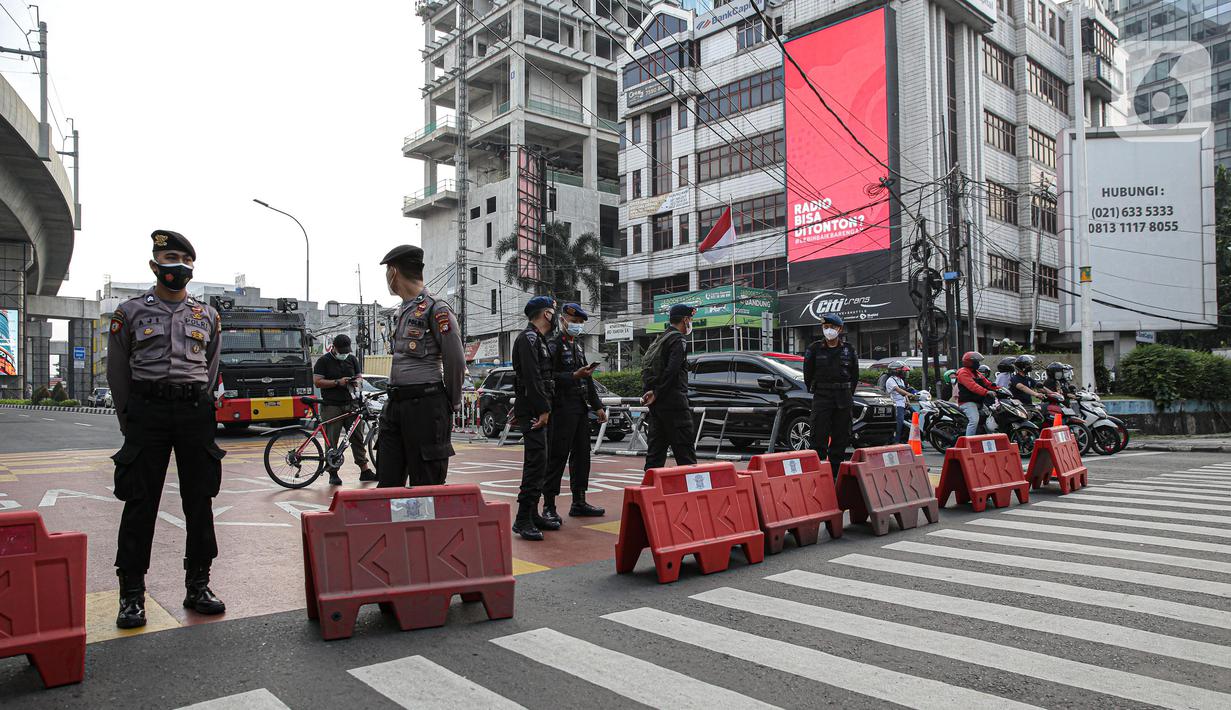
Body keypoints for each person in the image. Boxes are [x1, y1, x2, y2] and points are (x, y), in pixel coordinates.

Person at [107, 229, 226, 629]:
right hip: (148, 412)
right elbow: (117, 371)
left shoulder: (207, 315)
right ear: (154, 264)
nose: (179, 266)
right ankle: (132, 595)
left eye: (186, 260)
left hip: (194, 411)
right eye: (171, 258)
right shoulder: (129, 312)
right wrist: (130, 419)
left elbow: (210, 369)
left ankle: (198, 585)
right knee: (139, 502)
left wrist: (199, 404)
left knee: (200, 500)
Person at [376, 245, 466, 488]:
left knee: (427, 484)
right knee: (387, 483)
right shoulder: (403, 311)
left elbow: (455, 360)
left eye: (387, 272)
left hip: (425, 406)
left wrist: (451, 403)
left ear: (393, 272)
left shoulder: (437, 308)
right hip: (395, 405)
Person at [543, 303, 606, 522]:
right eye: (574, 322)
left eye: (580, 323)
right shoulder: (553, 345)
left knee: (582, 456)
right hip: (561, 409)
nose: (577, 326)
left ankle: (579, 501)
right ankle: (549, 505)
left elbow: (587, 378)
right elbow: (548, 376)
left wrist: (597, 406)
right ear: (562, 320)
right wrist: (572, 376)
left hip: (579, 408)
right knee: (557, 456)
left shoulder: (577, 346)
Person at [512, 296, 559, 540]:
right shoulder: (528, 339)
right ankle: (522, 519)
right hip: (533, 409)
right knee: (536, 463)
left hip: (538, 406)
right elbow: (531, 377)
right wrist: (542, 409)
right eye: (553, 311)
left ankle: (532, 513)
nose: (555, 316)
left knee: (541, 462)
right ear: (546, 314)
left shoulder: (538, 339)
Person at [311, 334, 374, 486]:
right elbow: (317, 382)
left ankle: (364, 470)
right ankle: (332, 472)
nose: (344, 354)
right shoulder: (323, 361)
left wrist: (356, 381)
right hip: (331, 405)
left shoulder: (352, 359)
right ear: (334, 347)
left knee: (357, 438)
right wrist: (337, 382)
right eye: (341, 351)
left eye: (346, 351)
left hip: (351, 404)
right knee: (331, 439)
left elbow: (359, 377)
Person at [641, 303, 698, 471]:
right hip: (675, 404)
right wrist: (658, 391)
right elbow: (672, 369)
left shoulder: (662, 338)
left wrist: (654, 392)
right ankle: (692, 487)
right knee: (685, 454)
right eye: (690, 319)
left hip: (657, 406)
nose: (690, 323)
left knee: (655, 454)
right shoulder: (678, 339)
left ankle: (649, 486)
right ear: (685, 320)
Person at [802, 313, 859, 475]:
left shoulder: (849, 349)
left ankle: (835, 475)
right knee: (818, 436)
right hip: (822, 396)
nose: (828, 330)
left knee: (841, 437)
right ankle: (818, 474)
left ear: (839, 329)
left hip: (843, 396)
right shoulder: (814, 349)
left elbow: (854, 375)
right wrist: (818, 389)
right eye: (825, 327)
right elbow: (808, 374)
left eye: (832, 327)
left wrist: (847, 392)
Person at [955, 351, 998, 436]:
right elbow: (973, 386)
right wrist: (986, 392)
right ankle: (968, 440)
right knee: (974, 421)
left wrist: (999, 389)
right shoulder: (963, 373)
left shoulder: (977, 373)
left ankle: (990, 438)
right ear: (970, 362)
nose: (978, 364)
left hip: (979, 402)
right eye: (976, 362)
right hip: (967, 402)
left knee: (989, 418)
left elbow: (988, 383)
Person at [883, 361, 917, 443]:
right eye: (903, 371)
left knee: (915, 415)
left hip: (903, 404)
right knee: (899, 423)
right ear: (896, 371)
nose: (905, 373)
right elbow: (899, 390)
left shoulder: (901, 380)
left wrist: (908, 401)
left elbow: (904, 391)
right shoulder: (890, 380)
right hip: (896, 405)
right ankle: (896, 441)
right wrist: (909, 394)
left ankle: (910, 438)